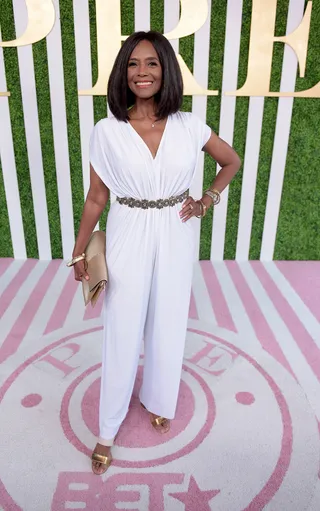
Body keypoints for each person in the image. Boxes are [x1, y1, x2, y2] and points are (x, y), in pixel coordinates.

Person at [69, 30, 241, 475]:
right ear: (122, 74)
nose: (141, 72)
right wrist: (79, 249)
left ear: (165, 70)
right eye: (132, 64)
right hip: (127, 230)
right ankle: (108, 430)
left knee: (167, 321)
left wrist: (206, 200)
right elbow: (96, 198)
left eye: (151, 63)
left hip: (176, 228)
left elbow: (232, 161)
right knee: (122, 328)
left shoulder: (189, 125)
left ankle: (159, 400)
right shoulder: (107, 132)